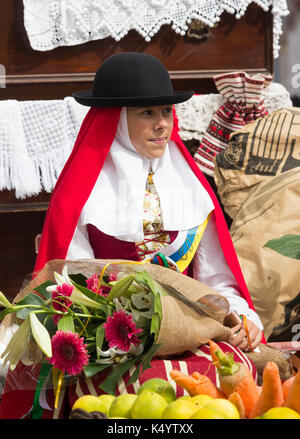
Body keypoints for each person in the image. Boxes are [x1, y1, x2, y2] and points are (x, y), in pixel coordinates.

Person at [34, 52, 263, 352]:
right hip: (110, 345)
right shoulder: (79, 196)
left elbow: (217, 284)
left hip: (191, 337)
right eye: (147, 113)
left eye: (166, 111)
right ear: (115, 119)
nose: (162, 125)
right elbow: (70, 290)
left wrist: (244, 320)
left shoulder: (192, 188)